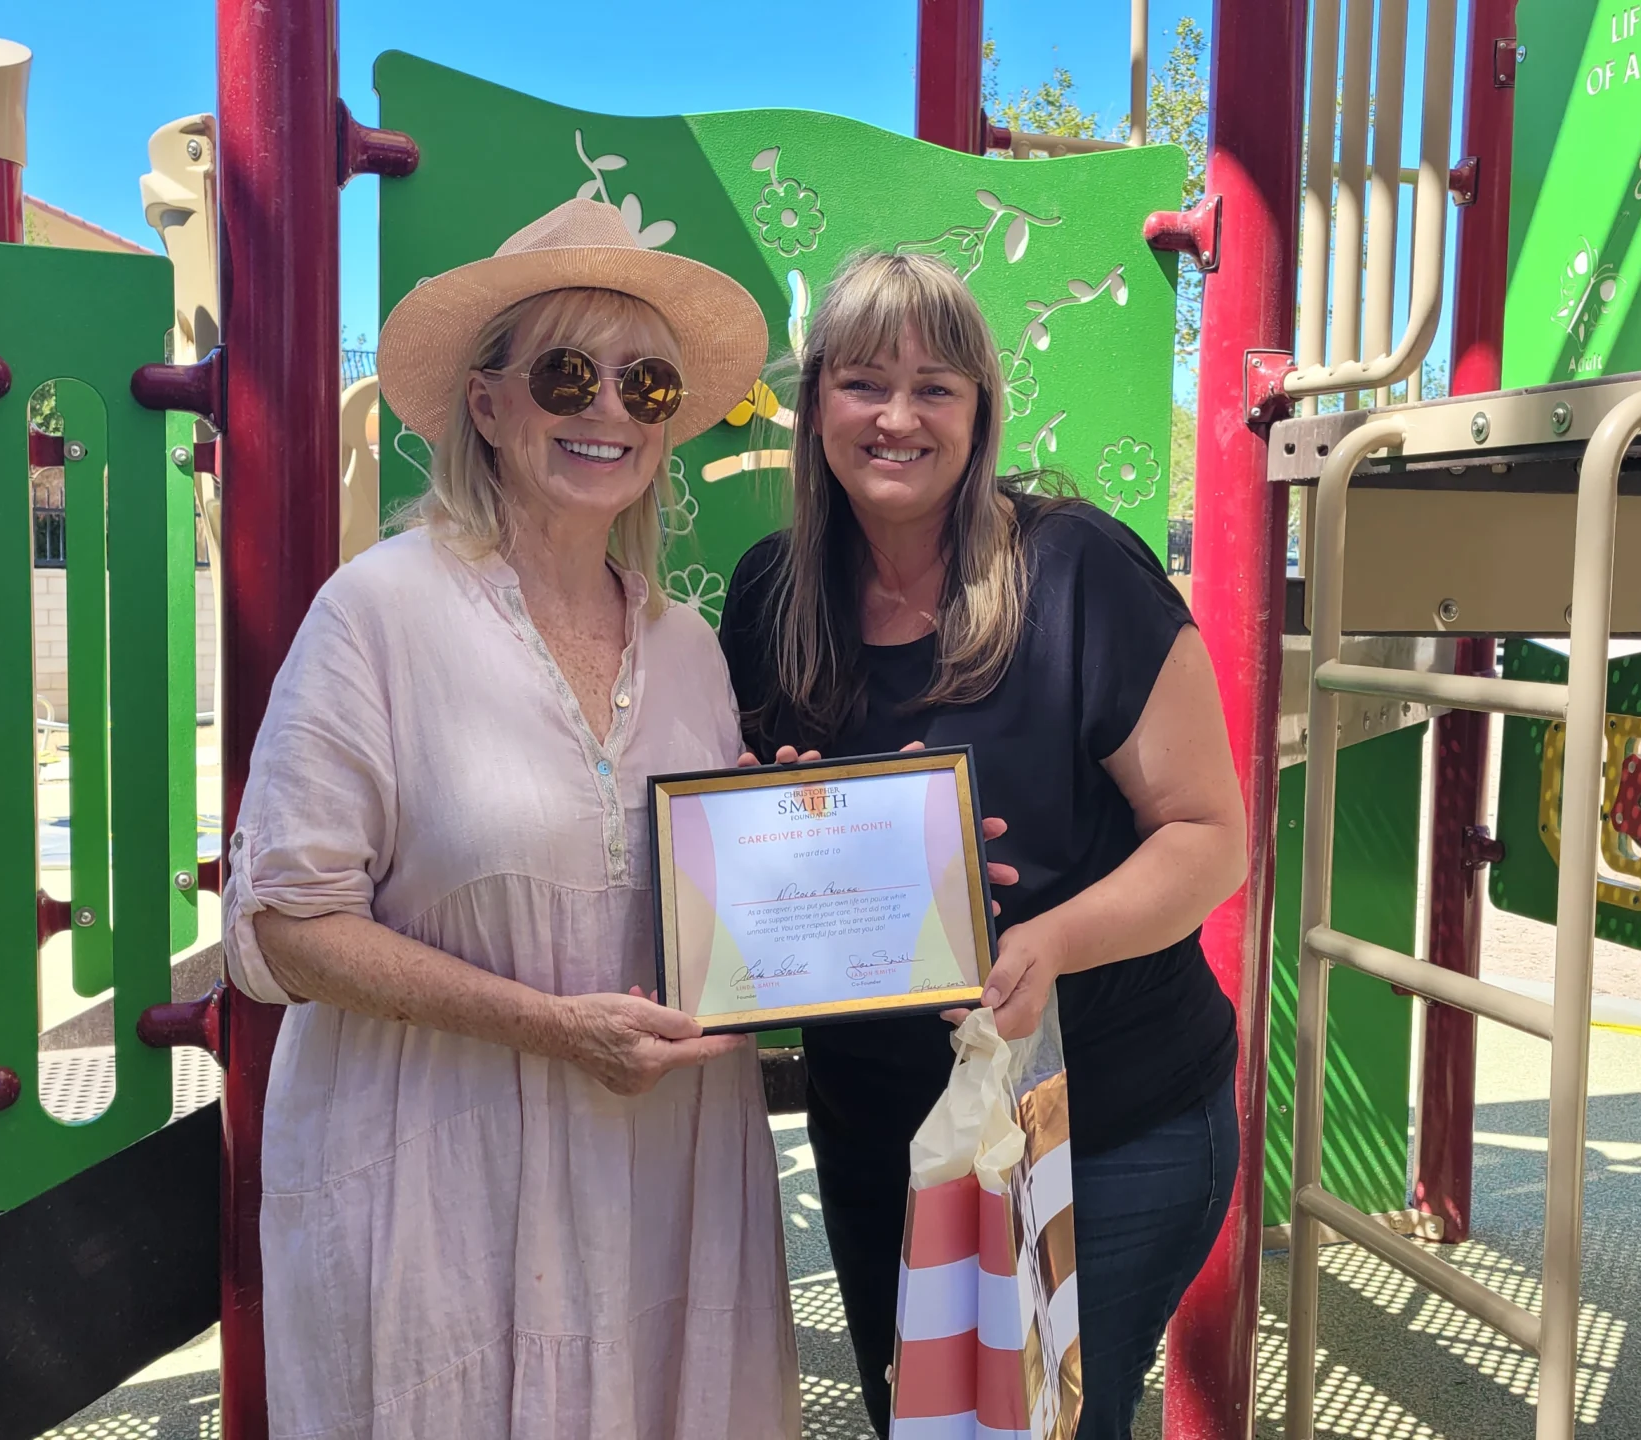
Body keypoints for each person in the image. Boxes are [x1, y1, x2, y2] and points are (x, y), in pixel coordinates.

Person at [219, 199, 798, 1439]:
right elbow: (284, 927)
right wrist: (546, 1024)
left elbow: (718, 911)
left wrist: (801, 848)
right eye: (567, 376)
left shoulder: (686, 645)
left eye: (645, 386)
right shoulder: (377, 613)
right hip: (443, 1190)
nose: (607, 411)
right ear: (486, 406)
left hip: (663, 1189)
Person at [716, 251, 1250, 1439]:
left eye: (933, 387)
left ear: (979, 411)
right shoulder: (768, 597)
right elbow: (759, 854)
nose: (896, 417)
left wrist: (1049, 942)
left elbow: (1210, 840)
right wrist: (780, 825)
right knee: (919, 1422)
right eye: (861, 383)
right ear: (813, 412)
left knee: (1048, 1425)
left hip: (1105, 1119)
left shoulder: (1075, 571)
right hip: (887, 1134)